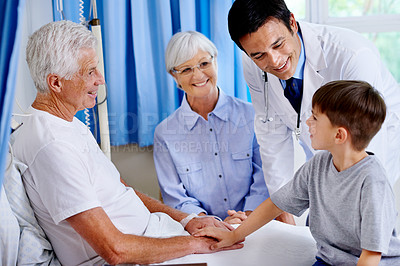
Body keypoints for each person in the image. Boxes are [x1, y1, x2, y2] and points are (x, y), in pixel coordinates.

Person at [11, 20, 242, 266]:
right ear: (56, 83)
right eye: (90, 72)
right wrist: (198, 244)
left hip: (157, 235)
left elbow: (122, 189)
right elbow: (116, 251)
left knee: (248, 242)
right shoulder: (52, 147)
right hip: (138, 256)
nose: (100, 79)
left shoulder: (68, 124)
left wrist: (186, 221)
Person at [228, 0, 400, 224]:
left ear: (292, 22)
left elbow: (360, 146)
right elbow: (270, 131)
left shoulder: (352, 55)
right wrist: (282, 206)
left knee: (358, 219)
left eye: (278, 44)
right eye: (259, 55)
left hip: (372, 142)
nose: (275, 61)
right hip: (320, 150)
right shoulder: (251, 63)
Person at [195, 80, 400, 265]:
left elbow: (371, 256)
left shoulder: (372, 181)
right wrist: (234, 235)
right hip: (328, 262)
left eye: (315, 117)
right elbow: (276, 204)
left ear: (339, 135)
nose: (308, 122)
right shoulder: (319, 164)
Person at [154, 31, 269, 224]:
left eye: (204, 64)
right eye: (186, 69)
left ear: (215, 61)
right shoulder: (164, 134)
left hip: (255, 223)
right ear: (174, 76)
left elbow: (265, 177)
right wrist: (212, 225)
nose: (198, 75)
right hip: (202, 232)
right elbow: (176, 198)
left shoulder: (251, 116)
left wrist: (245, 218)